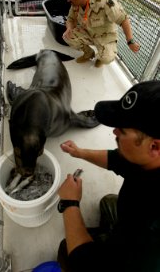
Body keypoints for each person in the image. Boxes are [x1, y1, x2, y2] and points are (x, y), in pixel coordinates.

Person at [57, 80, 160, 272]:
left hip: (135, 253)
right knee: (108, 203)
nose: (114, 132)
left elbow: (87, 265)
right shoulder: (148, 158)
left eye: (121, 130)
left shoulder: (150, 230)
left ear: (154, 146)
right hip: (132, 223)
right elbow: (119, 160)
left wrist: (69, 203)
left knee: (66, 250)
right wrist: (80, 152)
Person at [62, 0, 140, 67]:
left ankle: (101, 57)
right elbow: (70, 19)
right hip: (88, 32)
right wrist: (69, 28)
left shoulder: (105, 1)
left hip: (105, 36)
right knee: (67, 37)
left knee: (107, 58)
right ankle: (88, 53)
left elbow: (124, 19)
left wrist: (130, 41)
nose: (68, 0)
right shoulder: (76, 3)